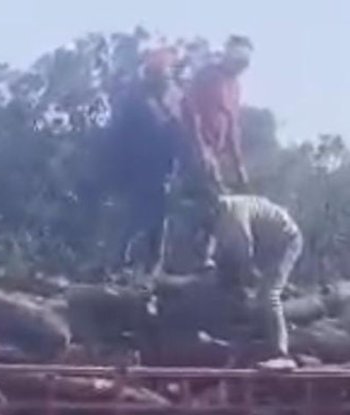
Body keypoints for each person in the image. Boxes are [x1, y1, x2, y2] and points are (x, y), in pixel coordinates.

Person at [107, 48, 183, 275]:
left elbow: (180, 131)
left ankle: (152, 267)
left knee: (159, 219)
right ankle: (120, 262)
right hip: (138, 165)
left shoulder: (174, 96)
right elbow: (119, 133)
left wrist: (177, 165)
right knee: (135, 216)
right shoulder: (134, 96)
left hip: (163, 166)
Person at [213, 194, 303, 370]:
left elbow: (243, 256)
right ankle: (258, 333)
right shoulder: (215, 216)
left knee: (268, 295)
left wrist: (244, 284)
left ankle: (281, 354)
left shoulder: (231, 215)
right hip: (264, 242)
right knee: (245, 289)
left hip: (285, 240)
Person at [183, 36, 253, 194]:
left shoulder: (235, 86)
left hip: (215, 154)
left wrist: (239, 165)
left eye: (244, 66)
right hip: (193, 152)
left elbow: (232, 126)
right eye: (239, 63)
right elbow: (192, 113)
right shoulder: (207, 75)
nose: (240, 69)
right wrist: (202, 149)